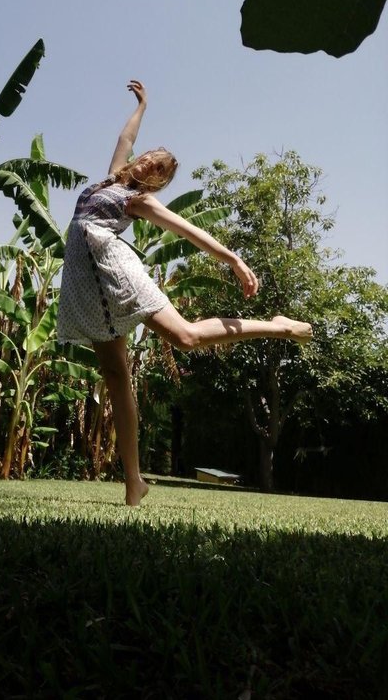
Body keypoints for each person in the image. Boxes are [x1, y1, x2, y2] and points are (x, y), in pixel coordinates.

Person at [57, 80, 312, 506]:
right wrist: (143, 104)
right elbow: (126, 138)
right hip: (87, 285)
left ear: (155, 184)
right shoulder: (110, 180)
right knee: (117, 377)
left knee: (186, 337)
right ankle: (134, 482)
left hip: (117, 273)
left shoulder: (138, 201)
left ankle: (277, 327)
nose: (146, 166)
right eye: (148, 159)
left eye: (157, 170)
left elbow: (188, 231)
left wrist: (233, 260)